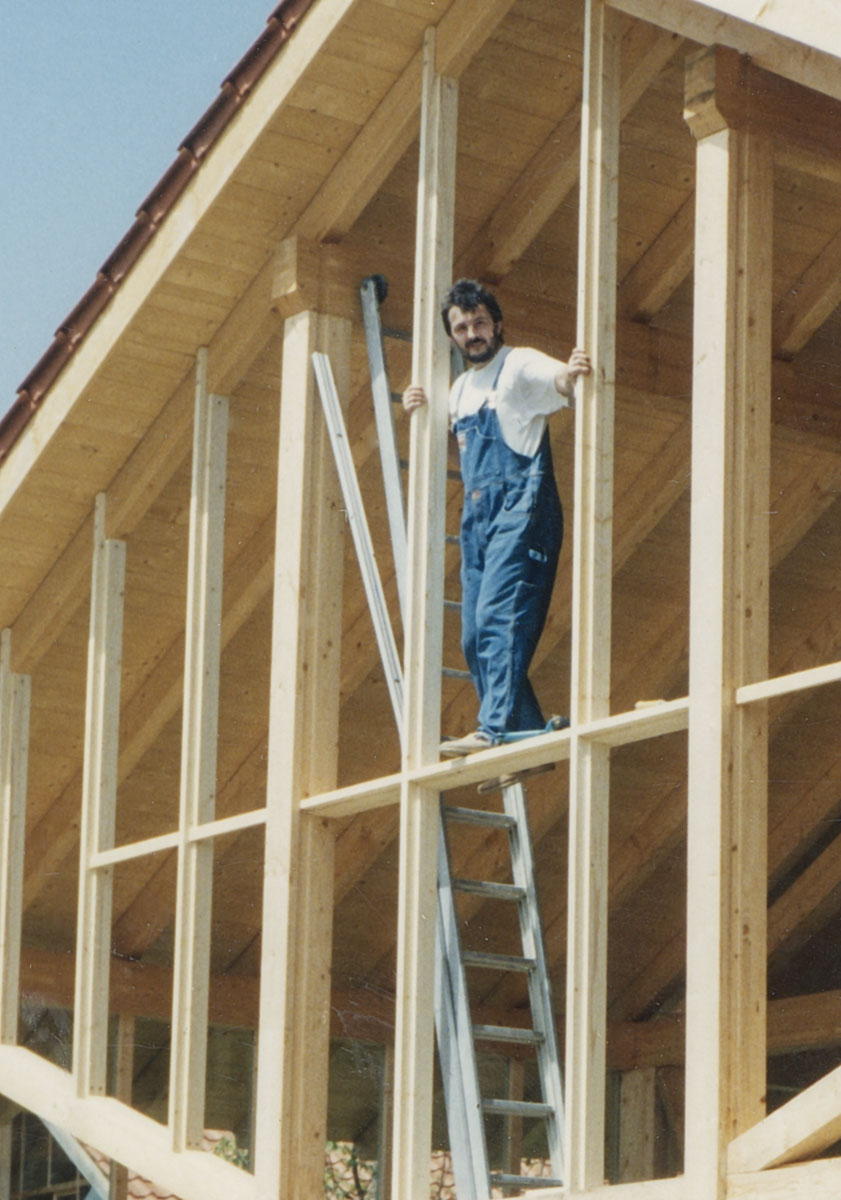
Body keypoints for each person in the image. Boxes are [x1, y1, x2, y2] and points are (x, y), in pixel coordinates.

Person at [403, 278, 591, 756]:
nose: (472, 333)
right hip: (479, 516)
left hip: (523, 506)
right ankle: (526, 743)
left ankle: (494, 731)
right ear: (452, 337)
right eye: (462, 327)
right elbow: (460, 444)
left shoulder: (517, 365)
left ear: (498, 324)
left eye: (480, 322)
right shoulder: (462, 388)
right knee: (472, 635)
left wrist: (572, 374)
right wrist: (419, 410)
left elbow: (560, 382)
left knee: (498, 617)